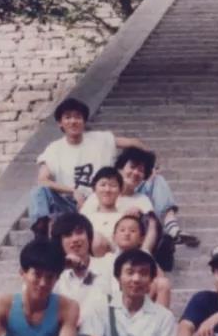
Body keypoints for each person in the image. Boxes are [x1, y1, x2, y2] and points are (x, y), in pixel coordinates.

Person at [28, 97, 146, 239]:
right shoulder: (54, 149)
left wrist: (151, 167)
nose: (73, 121)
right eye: (68, 117)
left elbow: (135, 143)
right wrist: (73, 191)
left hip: (101, 200)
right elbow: (43, 180)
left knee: (151, 183)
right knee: (38, 192)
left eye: (78, 117)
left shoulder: (100, 139)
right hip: (68, 204)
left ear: (84, 121)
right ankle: (40, 235)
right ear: (60, 123)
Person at [115, 146, 198, 269]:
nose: (136, 172)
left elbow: (151, 224)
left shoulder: (142, 199)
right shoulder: (104, 193)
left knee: (158, 179)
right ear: (120, 169)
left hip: (136, 242)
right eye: (132, 167)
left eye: (140, 170)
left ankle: (171, 228)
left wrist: (145, 252)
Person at [50, 213, 116, 318]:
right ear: (60, 242)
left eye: (79, 232)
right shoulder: (55, 276)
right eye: (68, 235)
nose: (75, 239)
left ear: (89, 237)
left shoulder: (108, 264)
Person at [110, 214, 173, 309]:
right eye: (122, 230)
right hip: (115, 302)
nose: (127, 234)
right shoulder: (108, 259)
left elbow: (160, 277)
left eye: (132, 231)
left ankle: (161, 317)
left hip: (141, 300)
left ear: (141, 239)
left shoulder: (145, 256)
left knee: (163, 283)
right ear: (114, 237)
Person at [79, 167, 142, 257]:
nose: (107, 190)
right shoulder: (85, 218)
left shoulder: (125, 217)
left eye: (113, 185)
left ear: (120, 190)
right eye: (103, 185)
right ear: (94, 188)